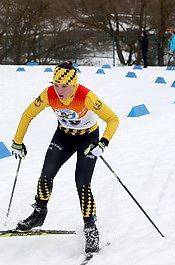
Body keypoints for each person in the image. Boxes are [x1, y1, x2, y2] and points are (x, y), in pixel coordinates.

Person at [10, 61, 119, 253]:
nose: (59, 90)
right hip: (64, 136)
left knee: (82, 183)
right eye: (56, 84)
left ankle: (90, 227)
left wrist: (103, 143)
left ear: (74, 84)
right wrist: (17, 141)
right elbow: (28, 114)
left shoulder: (86, 96)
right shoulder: (48, 94)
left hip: (88, 138)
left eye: (64, 86)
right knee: (46, 174)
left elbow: (113, 119)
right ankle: (39, 213)